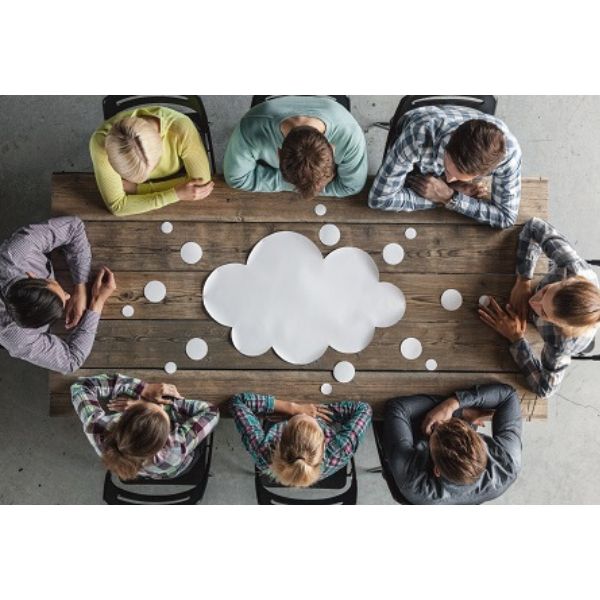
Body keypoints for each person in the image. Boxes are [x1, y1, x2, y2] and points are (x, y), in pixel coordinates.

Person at [479, 217, 600, 398]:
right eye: (545, 291)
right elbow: (535, 226)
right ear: (566, 281)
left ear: (560, 325)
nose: (532, 302)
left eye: (543, 312)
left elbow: (545, 389)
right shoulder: (573, 267)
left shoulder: (562, 343)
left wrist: (517, 339)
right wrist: (523, 279)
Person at [368, 105, 522, 228]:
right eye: (448, 170)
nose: (449, 179)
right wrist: (443, 196)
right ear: (452, 138)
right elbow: (379, 199)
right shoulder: (418, 136)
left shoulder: (509, 154)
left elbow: (506, 218)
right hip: (418, 119)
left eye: (459, 177)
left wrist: (449, 196)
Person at [0, 216, 115, 374]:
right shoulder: (17, 339)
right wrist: (96, 303)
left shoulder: (20, 251)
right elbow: (71, 361)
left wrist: (80, 286)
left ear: (32, 275)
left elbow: (74, 227)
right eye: (66, 297)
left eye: (61, 292)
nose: (68, 296)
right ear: (32, 327)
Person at [383, 383, 522, 505]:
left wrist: (462, 412)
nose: (440, 422)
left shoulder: (410, 478)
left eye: (435, 430)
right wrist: (453, 405)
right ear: (480, 442)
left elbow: (397, 407)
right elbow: (508, 395)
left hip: (413, 457)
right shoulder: (508, 464)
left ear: (436, 470)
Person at [70, 373, 220, 480]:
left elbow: (81, 387)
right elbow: (212, 411)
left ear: (125, 415)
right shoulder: (175, 448)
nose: (160, 407)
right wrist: (169, 405)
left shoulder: (97, 429)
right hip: (173, 469)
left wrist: (143, 390)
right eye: (161, 410)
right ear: (167, 438)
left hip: (136, 470)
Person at [223, 96, 367, 198]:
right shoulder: (250, 127)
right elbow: (236, 179)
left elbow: (352, 187)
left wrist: (297, 186)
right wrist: (308, 186)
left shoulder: (350, 133)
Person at [90, 106, 214, 216]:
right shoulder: (100, 142)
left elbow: (201, 184)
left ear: (160, 143)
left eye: (151, 169)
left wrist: (137, 189)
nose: (145, 180)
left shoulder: (181, 129)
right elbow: (117, 207)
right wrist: (175, 194)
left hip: (176, 170)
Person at [230, 392, 372, 487]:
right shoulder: (340, 449)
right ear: (324, 443)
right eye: (312, 421)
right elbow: (364, 409)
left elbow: (239, 401)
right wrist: (319, 411)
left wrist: (292, 409)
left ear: (280, 437)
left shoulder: (265, 453)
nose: (306, 415)